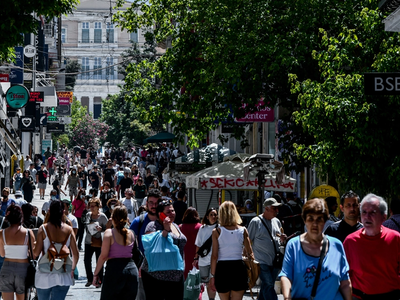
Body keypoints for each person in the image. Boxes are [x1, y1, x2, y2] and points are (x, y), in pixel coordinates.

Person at [280, 198, 352, 300]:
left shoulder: (337, 245)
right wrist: (287, 297)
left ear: (325, 221)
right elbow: (286, 276)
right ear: (304, 220)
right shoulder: (294, 245)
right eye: (310, 219)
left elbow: (345, 283)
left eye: (319, 219)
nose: (315, 224)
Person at [343, 193, 400, 299]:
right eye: (364, 212)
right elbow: (344, 275)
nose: (367, 216)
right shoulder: (350, 241)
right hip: (359, 296)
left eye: (373, 212)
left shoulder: (396, 239)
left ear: (384, 217)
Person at [141, 198, 187, 300]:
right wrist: (165, 230)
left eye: (173, 210)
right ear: (160, 214)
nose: (171, 213)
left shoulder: (175, 225)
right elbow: (151, 245)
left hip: (176, 275)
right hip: (156, 276)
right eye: (168, 212)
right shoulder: (152, 226)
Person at [34, 200, 79, 299]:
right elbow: (75, 253)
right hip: (63, 273)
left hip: (44, 273)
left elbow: (36, 253)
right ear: (63, 211)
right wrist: (72, 269)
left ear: (49, 211)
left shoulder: (43, 228)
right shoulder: (69, 229)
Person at [209, 201, 254, 300]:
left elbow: (214, 256)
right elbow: (250, 253)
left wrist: (212, 275)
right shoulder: (243, 230)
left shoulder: (216, 232)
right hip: (238, 267)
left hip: (222, 269)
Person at [92, 206, 139, 299]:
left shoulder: (109, 233)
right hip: (132, 270)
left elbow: (103, 256)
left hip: (115, 270)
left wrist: (96, 274)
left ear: (112, 218)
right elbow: (136, 253)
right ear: (126, 218)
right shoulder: (131, 233)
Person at [247, 198, 287, 300]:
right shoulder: (255, 222)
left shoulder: (277, 221)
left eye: (277, 208)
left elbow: (279, 240)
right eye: (274, 208)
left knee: (267, 285)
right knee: (268, 284)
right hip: (261, 261)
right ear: (266, 209)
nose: (277, 211)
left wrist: (282, 239)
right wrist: (249, 259)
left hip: (274, 261)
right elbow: (247, 241)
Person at [0, 205, 35, 300]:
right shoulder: (28, 232)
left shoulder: (2, 233)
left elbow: (2, 254)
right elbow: (33, 254)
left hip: (7, 268)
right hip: (23, 269)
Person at [194, 208, 218, 300]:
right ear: (207, 217)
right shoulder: (202, 228)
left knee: (213, 282)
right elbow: (198, 244)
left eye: (215, 215)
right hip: (203, 261)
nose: (213, 217)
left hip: (215, 261)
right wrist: (195, 258)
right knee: (207, 283)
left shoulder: (219, 228)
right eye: (211, 215)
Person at [84, 198, 108, 288]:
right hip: (88, 241)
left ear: (98, 207)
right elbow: (86, 225)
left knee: (99, 260)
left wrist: (101, 229)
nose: (91, 208)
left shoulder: (102, 216)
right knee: (87, 260)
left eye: (93, 206)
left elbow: (107, 229)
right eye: (90, 206)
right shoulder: (88, 215)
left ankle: (99, 279)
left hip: (99, 241)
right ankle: (89, 279)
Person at [179, 207, 201, 279]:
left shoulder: (181, 227)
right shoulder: (200, 227)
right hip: (197, 254)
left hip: (185, 253)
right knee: (197, 273)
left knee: (186, 272)